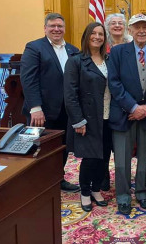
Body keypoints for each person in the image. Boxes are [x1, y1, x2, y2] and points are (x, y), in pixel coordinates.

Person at [20, 12, 80, 193]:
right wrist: (35, 108)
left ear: (64, 29)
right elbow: (28, 80)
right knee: (39, 147)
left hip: (66, 110)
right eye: (52, 26)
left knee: (61, 147)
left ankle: (58, 179)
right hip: (42, 111)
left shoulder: (73, 50)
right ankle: (36, 184)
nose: (56, 29)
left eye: (60, 26)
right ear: (45, 28)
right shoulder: (34, 48)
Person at [108, 14, 146, 215]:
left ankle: (143, 191)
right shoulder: (118, 52)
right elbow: (114, 83)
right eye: (137, 27)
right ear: (130, 30)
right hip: (123, 113)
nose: (142, 31)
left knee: (144, 156)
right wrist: (133, 107)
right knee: (122, 157)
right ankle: (123, 195)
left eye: (145, 26)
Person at [63, 22, 111, 212]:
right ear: (87, 36)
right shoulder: (76, 61)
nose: (97, 37)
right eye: (94, 33)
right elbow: (70, 94)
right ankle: (84, 192)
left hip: (108, 115)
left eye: (101, 34)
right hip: (87, 118)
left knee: (103, 157)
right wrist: (78, 120)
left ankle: (96, 189)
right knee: (90, 158)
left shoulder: (108, 59)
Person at [101, 13, 131, 190]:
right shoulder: (101, 46)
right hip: (105, 100)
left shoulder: (130, 44)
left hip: (126, 100)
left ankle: (125, 178)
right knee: (104, 143)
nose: (118, 26)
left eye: (121, 23)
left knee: (123, 146)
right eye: (114, 23)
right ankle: (103, 178)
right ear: (107, 26)